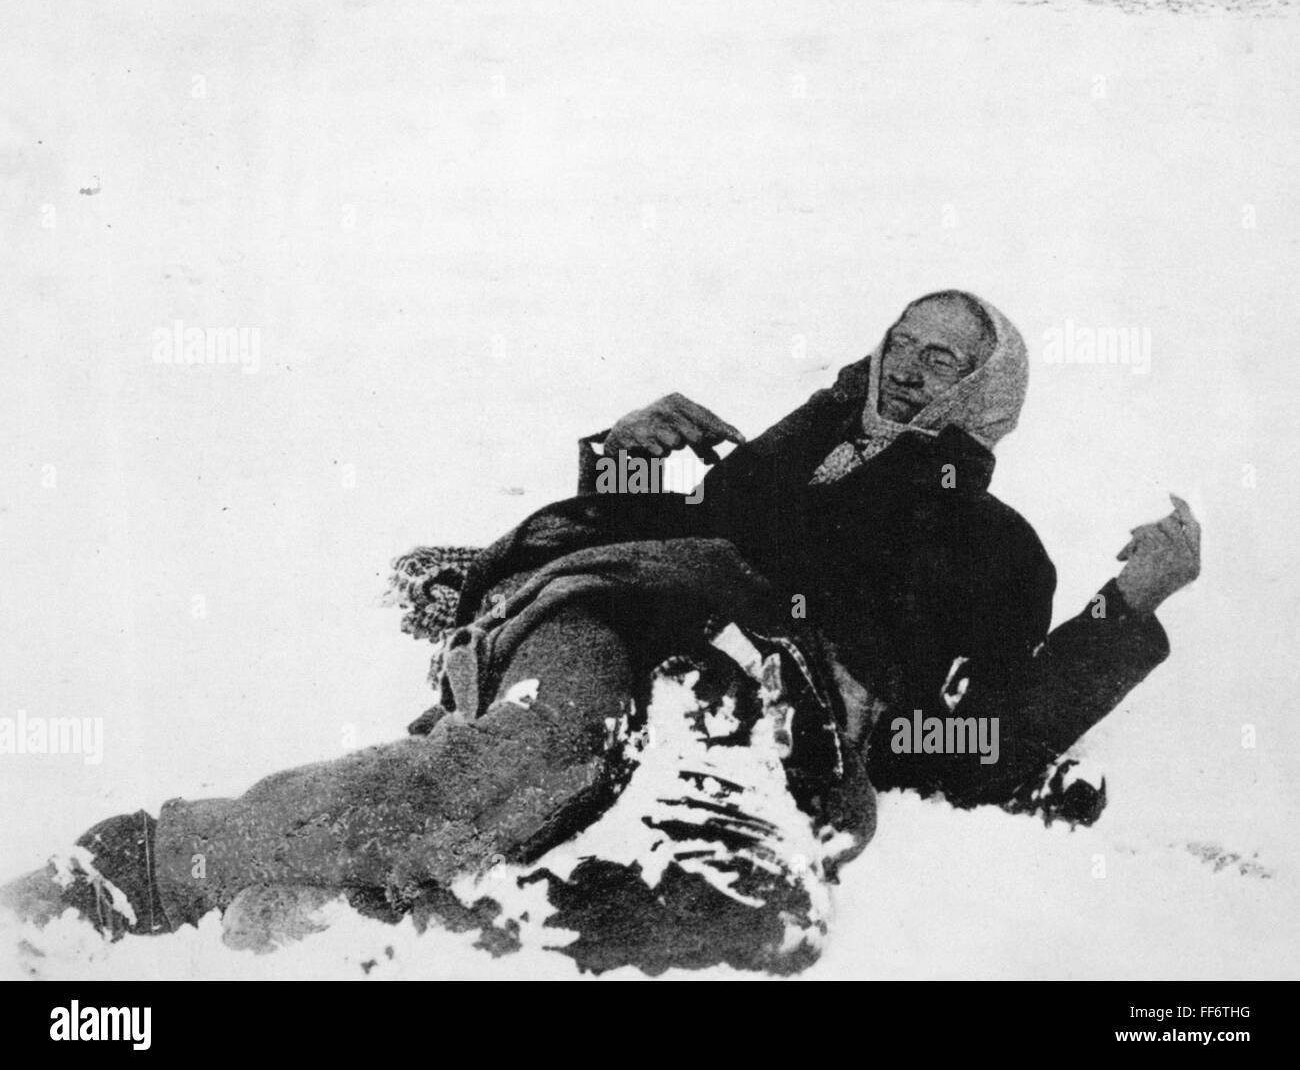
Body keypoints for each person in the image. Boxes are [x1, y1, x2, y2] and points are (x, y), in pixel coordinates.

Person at [2, 291, 1200, 959]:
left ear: (981, 398)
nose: (907, 368)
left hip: (777, 710)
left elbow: (973, 742)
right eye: (903, 342)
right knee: (534, 754)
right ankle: (140, 867)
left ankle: (368, 918)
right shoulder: (790, 450)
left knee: (756, 922)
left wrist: (1120, 615)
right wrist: (623, 458)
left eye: (942, 360)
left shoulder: (999, 554)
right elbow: (655, 537)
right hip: (629, 623)